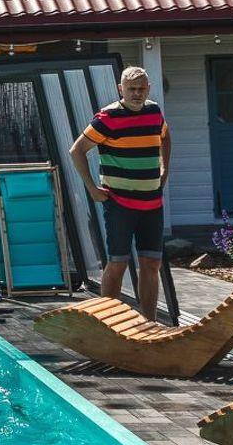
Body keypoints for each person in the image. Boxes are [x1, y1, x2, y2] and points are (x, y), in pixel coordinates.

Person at [69, 65, 172, 322]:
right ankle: (109, 325)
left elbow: (165, 136)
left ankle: (148, 324)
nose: (136, 94)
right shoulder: (108, 117)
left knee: (151, 264)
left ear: (148, 88)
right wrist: (92, 188)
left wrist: (164, 170)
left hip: (152, 203)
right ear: (120, 89)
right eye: (131, 89)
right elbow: (77, 150)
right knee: (118, 263)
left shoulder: (154, 111)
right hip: (120, 203)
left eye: (141, 89)